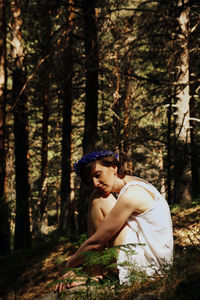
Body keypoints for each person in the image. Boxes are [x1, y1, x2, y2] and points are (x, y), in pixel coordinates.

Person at [55, 150, 173, 292]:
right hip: (155, 261)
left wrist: (68, 265)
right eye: (90, 179)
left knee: (99, 199)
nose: (95, 183)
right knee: (98, 196)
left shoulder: (132, 194)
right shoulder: (134, 182)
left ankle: (92, 271)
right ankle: (93, 269)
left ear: (114, 168)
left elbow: (96, 242)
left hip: (149, 269)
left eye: (98, 175)